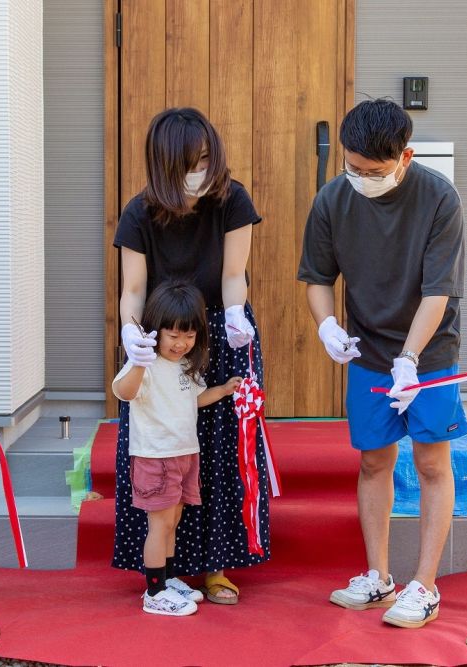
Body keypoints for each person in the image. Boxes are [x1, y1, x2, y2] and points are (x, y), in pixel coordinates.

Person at [298, 98, 467, 628]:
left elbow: (438, 293)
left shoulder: (439, 198)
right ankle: (379, 577)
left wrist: (411, 359)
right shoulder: (332, 199)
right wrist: (327, 326)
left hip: (431, 352)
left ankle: (426, 586)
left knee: (432, 463)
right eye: (353, 168)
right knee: (374, 460)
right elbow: (317, 278)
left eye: (373, 171)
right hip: (369, 352)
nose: (361, 178)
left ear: (405, 157)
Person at [112, 107, 267, 604]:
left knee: (220, 452)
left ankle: (218, 568)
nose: (197, 170)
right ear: (163, 163)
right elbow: (133, 288)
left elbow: (232, 274)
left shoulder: (232, 199)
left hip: (222, 327)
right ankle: (163, 571)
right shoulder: (139, 212)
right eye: (186, 162)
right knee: (159, 451)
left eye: (204, 159)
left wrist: (237, 315)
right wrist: (131, 335)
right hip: (159, 341)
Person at [112, 281, 243, 616]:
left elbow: (195, 400)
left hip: (184, 455)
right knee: (159, 525)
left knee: (172, 521)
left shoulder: (184, 365)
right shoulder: (144, 363)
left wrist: (224, 390)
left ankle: (168, 578)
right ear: (157, 330)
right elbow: (124, 392)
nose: (182, 343)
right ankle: (154, 593)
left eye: (189, 336)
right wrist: (138, 361)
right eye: (173, 336)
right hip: (155, 458)